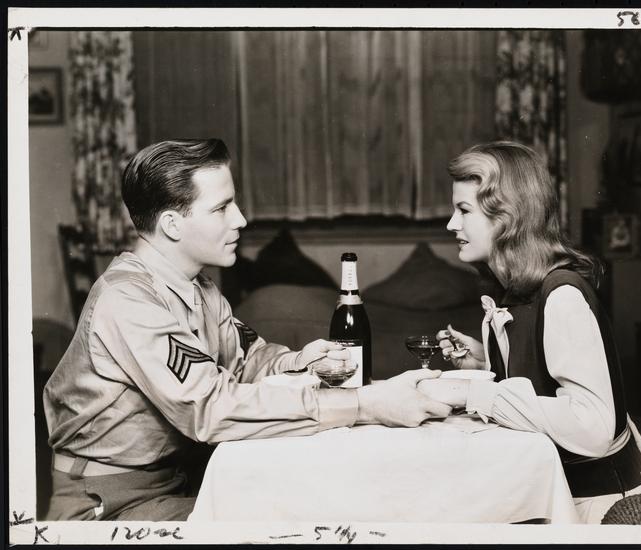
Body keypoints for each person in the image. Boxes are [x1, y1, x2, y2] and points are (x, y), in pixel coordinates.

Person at [43, 138, 451, 521]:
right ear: (172, 224)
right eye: (222, 208)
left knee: (322, 504)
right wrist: (362, 404)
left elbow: (247, 360)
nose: (240, 219)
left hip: (178, 481)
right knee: (295, 526)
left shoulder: (198, 288)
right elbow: (210, 408)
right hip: (109, 502)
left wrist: (303, 361)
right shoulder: (129, 300)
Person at [430, 141, 641, 523]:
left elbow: (593, 427)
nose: (452, 224)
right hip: (551, 490)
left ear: (507, 217)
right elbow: (545, 381)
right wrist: (484, 364)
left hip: (601, 508)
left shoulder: (562, 295)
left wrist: (475, 393)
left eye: (464, 210)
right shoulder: (512, 291)